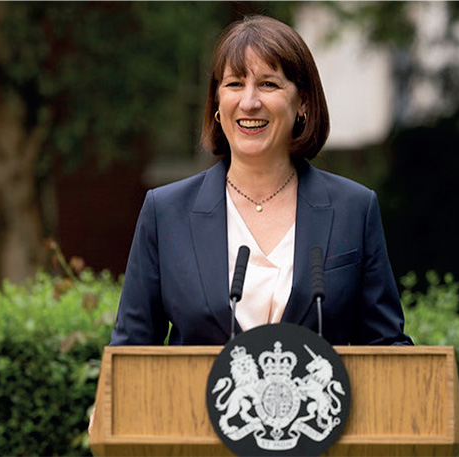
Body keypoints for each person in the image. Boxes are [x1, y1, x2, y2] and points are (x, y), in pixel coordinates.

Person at [109, 15, 412, 347]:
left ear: (303, 103)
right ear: (217, 103)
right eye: (235, 84)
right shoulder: (165, 212)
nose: (249, 102)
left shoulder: (353, 209)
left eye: (269, 84)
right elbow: (130, 356)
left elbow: (387, 351)